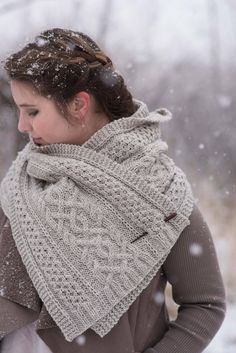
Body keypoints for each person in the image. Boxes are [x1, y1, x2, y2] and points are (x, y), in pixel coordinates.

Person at [0, 28, 226, 353]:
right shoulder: (22, 180)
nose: (22, 125)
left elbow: (206, 305)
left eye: (32, 111)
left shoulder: (158, 190)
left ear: (78, 104)